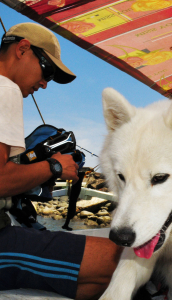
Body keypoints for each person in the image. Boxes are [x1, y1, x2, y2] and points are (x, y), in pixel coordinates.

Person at [0, 22, 122, 300]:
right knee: (119, 262)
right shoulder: (4, 88)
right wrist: (54, 166)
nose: (45, 83)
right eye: (48, 71)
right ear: (22, 49)